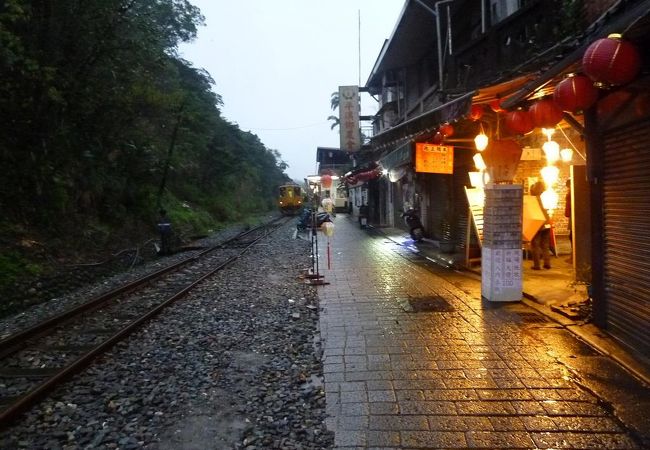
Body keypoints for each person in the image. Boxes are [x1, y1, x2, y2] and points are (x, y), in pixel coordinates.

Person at [530, 181, 552, 270]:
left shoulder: (532, 200)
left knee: (535, 245)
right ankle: (547, 263)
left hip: (538, 224)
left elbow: (532, 213)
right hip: (547, 223)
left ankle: (537, 265)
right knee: (545, 245)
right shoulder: (543, 198)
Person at [565, 179, 572, 247]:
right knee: (571, 235)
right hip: (571, 214)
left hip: (572, 214)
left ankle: (573, 253)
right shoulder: (570, 192)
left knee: (571, 236)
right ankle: (573, 253)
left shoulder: (572, 193)